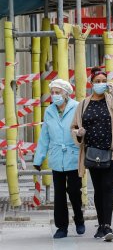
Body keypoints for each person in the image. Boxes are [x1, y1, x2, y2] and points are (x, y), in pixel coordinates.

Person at [71, 67, 113, 242]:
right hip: (92, 153)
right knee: (97, 189)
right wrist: (78, 133)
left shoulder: (111, 101)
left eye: (104, 81)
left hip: (111, 152)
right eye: (97, 81)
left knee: (107, 186)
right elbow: (73, 127)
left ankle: (108, 226)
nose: (101, 84)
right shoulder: (83, 104)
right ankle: (101, 225)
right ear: (91, 83)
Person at [33, 79, 84, 239]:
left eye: (58, 92)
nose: (54, 95)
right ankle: (61, 227)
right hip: (56, 158)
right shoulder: (49, 111)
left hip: (73, 155)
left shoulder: (77, 107)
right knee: (59, 194)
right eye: (52, 93)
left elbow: (83, 130)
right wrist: (38, 159)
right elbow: (44, 136)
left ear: (66, 94)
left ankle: (79, 217)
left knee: (75, 191)